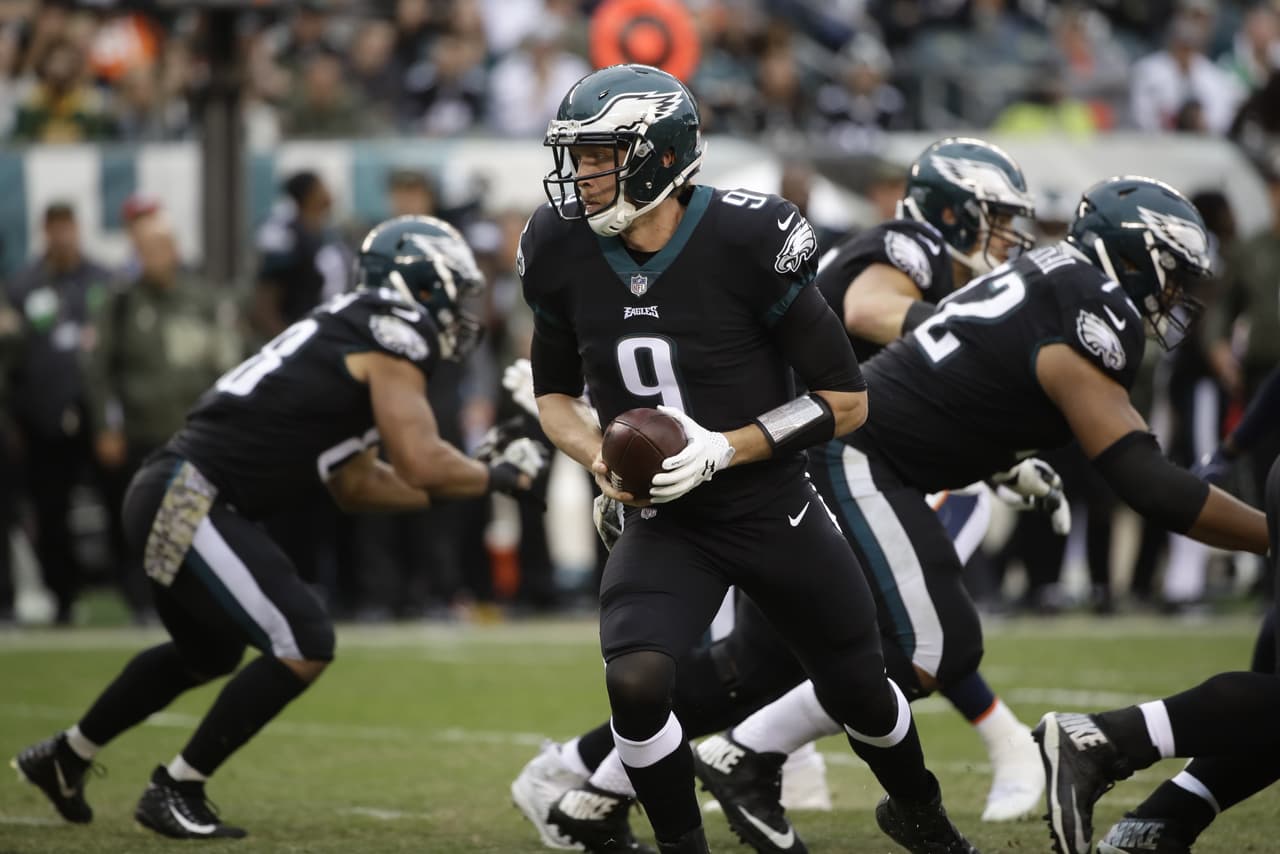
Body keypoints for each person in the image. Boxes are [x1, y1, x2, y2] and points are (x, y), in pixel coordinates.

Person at [511, 137, 1059, 852]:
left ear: (661, 159)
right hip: (666, 522)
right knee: (638, 682)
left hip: (773, 506)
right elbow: (554, 394)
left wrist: (723, 448)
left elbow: (847, 398)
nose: (583, 174)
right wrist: (596, 457)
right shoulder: (559, 244)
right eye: (579, 157)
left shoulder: (747, 236)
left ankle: (921, 813)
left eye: (601, 155)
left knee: (861, 685)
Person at [9, 216, 548, 840]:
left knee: (206, 653)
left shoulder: (357, 329)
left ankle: (66, 756)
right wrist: (495, 477)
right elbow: (422, 461)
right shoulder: (392, 330)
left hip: (174, 492)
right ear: (419, 284)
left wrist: (476, 477)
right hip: (191, 495)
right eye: (454, 289)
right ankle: (176, 786)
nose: (459, 308)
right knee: (304, 637)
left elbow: (359, 485)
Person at [5, 202, 112, 625]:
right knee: (51, 511)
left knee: (119, 503)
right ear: (45, 232)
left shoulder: (102, 280)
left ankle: (133, 594)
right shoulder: (23, 286)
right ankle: (62, 598)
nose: (64, 237)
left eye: (69, 228)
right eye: (56, 230)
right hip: (42, 417)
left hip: (95, 414)